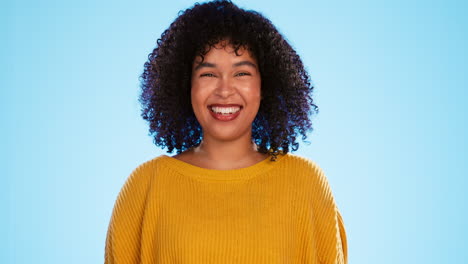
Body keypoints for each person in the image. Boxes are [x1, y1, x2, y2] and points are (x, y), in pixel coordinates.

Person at [104, 0, 347, 263]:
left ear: (265, 86)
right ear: (186, 86)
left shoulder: (307, 183)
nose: (224, 90)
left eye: (241, 73)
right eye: (208, 75)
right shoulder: (145, 186)